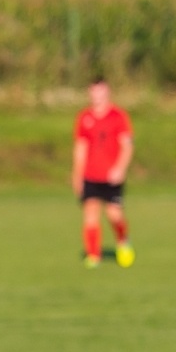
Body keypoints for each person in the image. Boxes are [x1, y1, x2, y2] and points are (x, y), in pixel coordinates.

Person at [72, 78, 135, 269]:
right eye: (93, 91)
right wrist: (77, 175)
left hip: (111, 176)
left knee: (114, 215)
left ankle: (123, 240)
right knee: (91, 213)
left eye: (100, 91)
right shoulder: (84, 117)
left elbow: (127, 146)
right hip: (90, 175)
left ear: (107, 92)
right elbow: (80, 148)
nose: (97, 96)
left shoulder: (118, 116)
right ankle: (93, 255)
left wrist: (120, 168)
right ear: (89, 93)